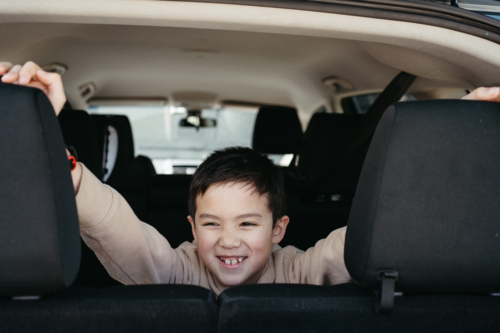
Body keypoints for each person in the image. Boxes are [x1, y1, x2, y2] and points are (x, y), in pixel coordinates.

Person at [1, 61, 500, 295]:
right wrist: (41, 139)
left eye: (247, 223)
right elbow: (118, 228)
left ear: (279, 229)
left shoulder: (300, 271)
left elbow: (369, 242)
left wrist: (453, 139)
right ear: (191, 229)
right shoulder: (174, 270)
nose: (228, 242)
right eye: (211, 224)